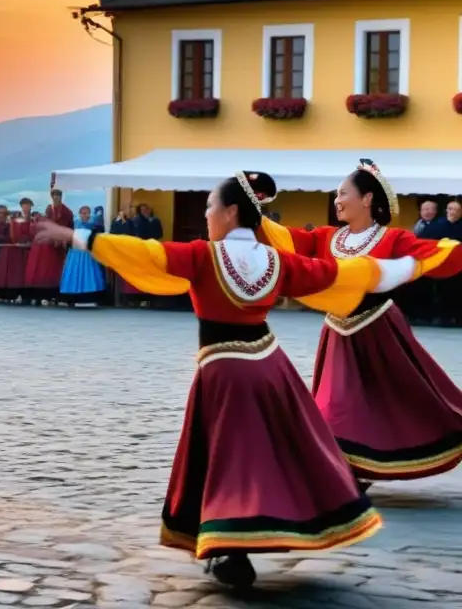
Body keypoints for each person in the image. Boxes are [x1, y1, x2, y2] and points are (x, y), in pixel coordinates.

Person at [35, 171, 417, 588]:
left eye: (210, 206)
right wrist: (402, 268)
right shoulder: (277, 260)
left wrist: (80, 237)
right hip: (271, 369)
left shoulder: (203, 255)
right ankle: (271, 529)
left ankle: (229, 548)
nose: (207, 215)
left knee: (226, 459)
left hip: (223, 371)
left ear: (232, 211)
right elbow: (335, 276)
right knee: (273, 455)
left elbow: (146, 253)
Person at [258, 159, 462, 485]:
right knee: (336, 402)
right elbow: (287, 239)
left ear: (367, 199)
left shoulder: (392, 239)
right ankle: (346, 470)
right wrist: (252, 213)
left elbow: (435, 253)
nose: (337, 200)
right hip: (339, 332)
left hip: (379, 329)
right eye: (336, 195)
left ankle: (358, 467)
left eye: (343, 193)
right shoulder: (326, 238)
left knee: (403, 397)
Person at [24, 190, 73, 304]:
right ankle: (40, 295)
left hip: (59, 243)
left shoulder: (66, 211)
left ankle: (57, 296)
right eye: (54, 196)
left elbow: (69, 225)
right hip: (48, 244)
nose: (56, 198)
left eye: (58, 195)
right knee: (44, 270)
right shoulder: (49, 209)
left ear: (61, 196)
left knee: (56, 269)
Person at [59, 206, 106, 306]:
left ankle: (90, 296)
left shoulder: (95, 226)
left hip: (88, 253)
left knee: (90, 274)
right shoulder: (74, 224)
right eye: (83, 213)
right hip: (75, 253)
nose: (85, 215)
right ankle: (73, 297)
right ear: (80, 214)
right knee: (74, 273)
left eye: (87, 213)